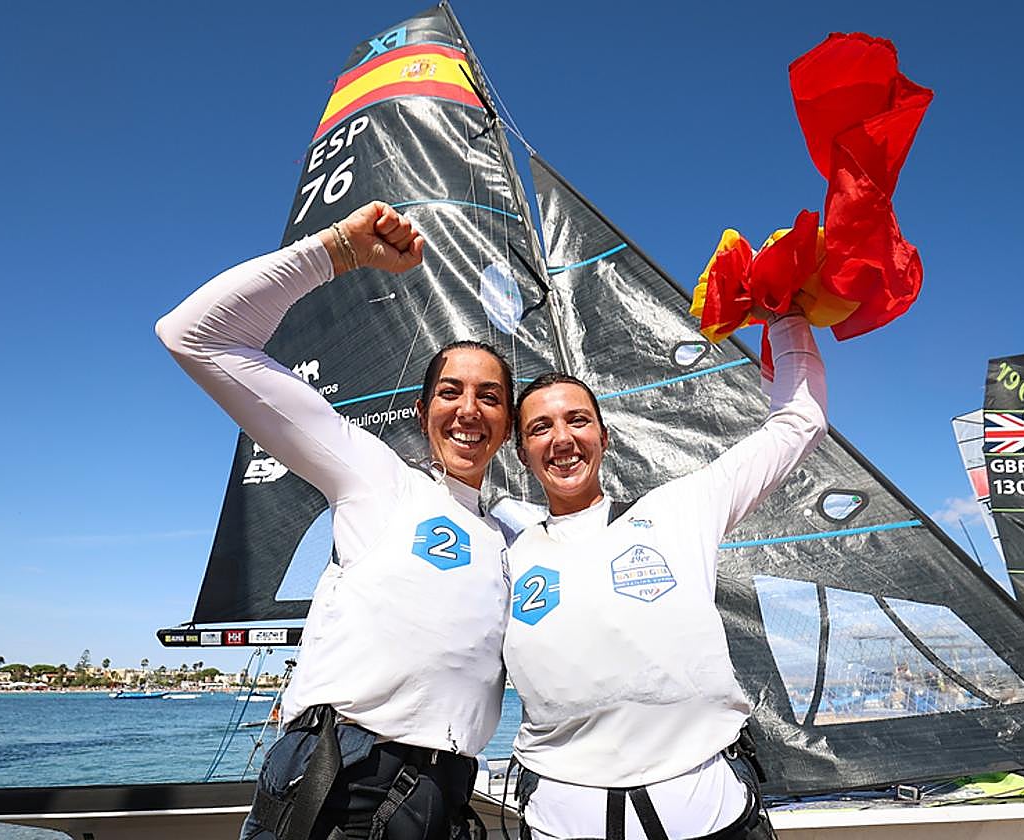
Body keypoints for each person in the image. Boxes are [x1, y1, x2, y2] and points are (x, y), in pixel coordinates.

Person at [156, 201, 515, 840]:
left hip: (446, 795)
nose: (468, 409)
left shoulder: (514, 534)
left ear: (508, 426)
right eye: (450, 391)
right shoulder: (376, 477)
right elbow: (194, 335)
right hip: (340, 783)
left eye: (489, 397)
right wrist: (337, 251)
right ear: (422, 412)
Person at [504, 309, 826, 840]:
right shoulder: (506, 550)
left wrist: (784, 314)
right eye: (541, 427)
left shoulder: (681, 508)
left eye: (577, 420)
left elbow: (798, 423)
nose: (562, 438)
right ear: (522, 453)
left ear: (604, 437)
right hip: (561, 819)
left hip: (713, 814)